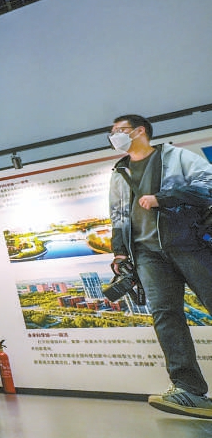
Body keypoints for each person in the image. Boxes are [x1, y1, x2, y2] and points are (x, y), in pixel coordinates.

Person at [108, 114, 212, 418]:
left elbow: (208, 185)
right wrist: (120, 253)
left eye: (119, 131)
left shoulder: (176, 157)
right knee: (166, 318)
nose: (114, 137)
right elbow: (118, 215)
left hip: (189, 244)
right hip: (147, 255)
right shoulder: (119, 172)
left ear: (139, 131)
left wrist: (163, 198)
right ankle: (189, 390)